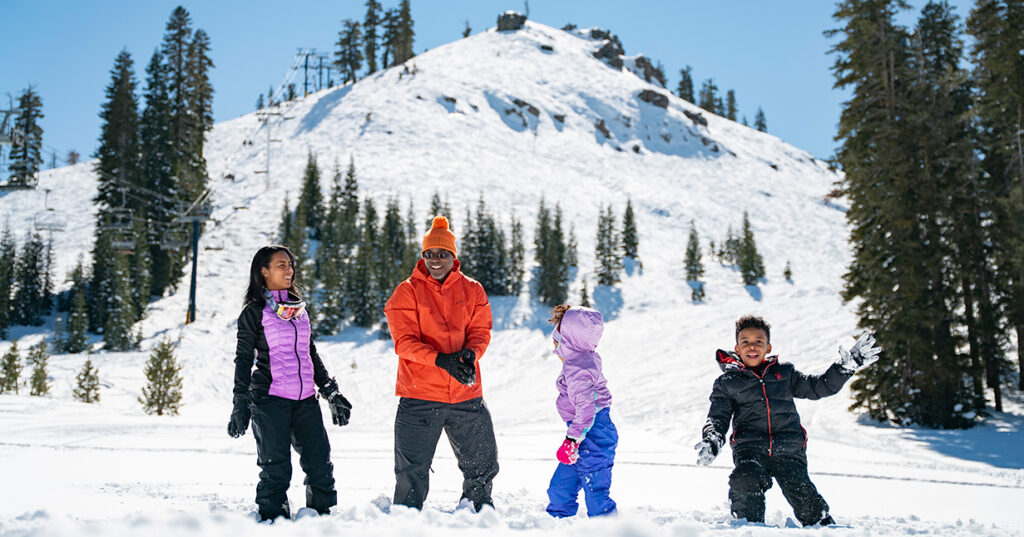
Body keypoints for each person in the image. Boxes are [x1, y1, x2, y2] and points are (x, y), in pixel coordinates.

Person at [695, 315, 881, 526]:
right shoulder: (728, 383)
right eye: (745, 341)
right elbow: (717, 416)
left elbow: (817, 387)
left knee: (803, 495)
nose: (752, 346)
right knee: (745, 479)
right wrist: (713, 439)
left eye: (758, 341)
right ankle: (748, 527)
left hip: (789, 449)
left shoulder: (784, 373)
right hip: (751, 449)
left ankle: (823, 527)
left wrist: (844, 368)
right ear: (737, 348)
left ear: (768, 347)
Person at [227, 245, 353, 522]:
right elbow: (243, 359)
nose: (289, 269)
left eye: (290, 264)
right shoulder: (254, 313)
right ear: (264, 271)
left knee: (320, 466)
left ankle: (321, 521)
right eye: (281, 264)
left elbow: (310, 353)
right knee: (276, 469)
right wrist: (240, 402)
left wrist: (330, 391)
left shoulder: (297, 309)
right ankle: (273, 522)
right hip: (270, 400)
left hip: (306, 400)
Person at [383, 216, 498, 512]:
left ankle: (477, 517)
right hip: (419, 395)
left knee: (483, 466)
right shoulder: (405, 292)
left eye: (442, 254)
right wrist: (440, 360)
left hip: (466, 393)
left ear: (453, 257)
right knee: (411, 473)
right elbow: (404, 342)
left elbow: (481, 330)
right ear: (422, 256)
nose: (436, 260)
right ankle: (406, 525)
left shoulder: (472, 289)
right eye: (429, 254)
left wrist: (472, 353)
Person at [545, 305, 618, 518]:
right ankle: (557, 527)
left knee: (596, 494)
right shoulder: (582, 360)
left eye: (557, 342)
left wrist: (572, 439)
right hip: (583, 433)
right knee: (560, 490)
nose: (555, 348)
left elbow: (586, 408)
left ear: (568, 342)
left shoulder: (578, 368)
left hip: (594, 434)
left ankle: (610, 530)